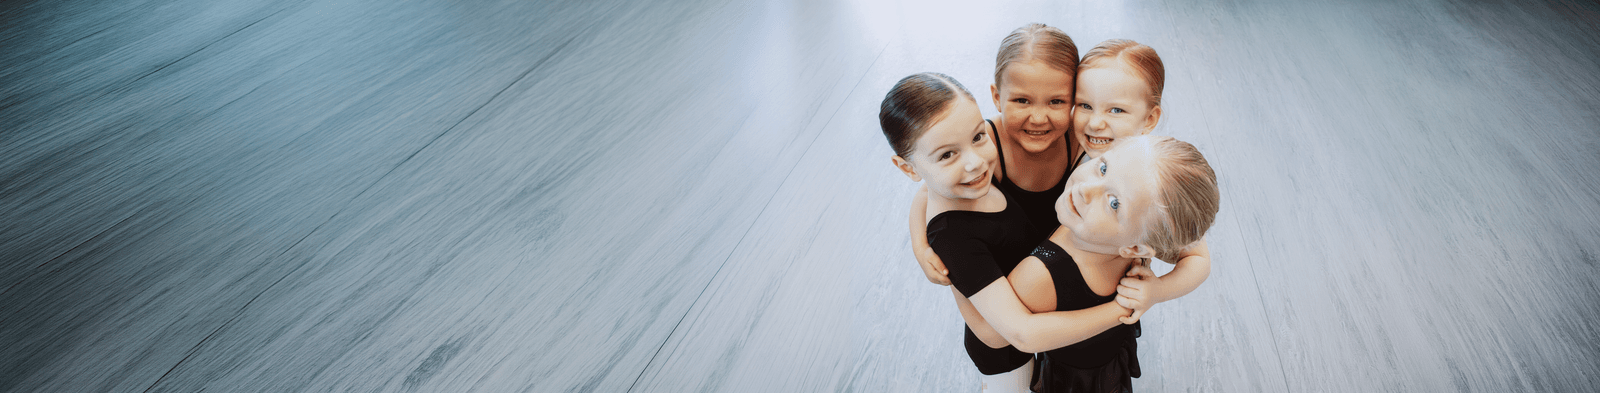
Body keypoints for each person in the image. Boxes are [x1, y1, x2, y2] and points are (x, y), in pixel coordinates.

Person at [881, 72, 1133, 392]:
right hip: (1006, 354)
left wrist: (918, 244)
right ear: (908, 168)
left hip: (1039, 312)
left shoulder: (966, 179)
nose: (975, 162)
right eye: (947, 155)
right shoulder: (952, 238)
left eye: (977, 138)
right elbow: (1011, 334)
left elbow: (923, 194)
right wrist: (1121, 309)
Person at [1004, 135, 1222, 392]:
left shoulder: (1040, 276)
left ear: (1135, 249)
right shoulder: (1134, 234)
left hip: (1089, 373)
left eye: (1114, 203)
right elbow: (1198, 257)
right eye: (1103, 167)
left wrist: (1157, 291)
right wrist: (1151, 294)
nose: (1086, 188)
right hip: (1089, 369)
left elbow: (1199, 259)